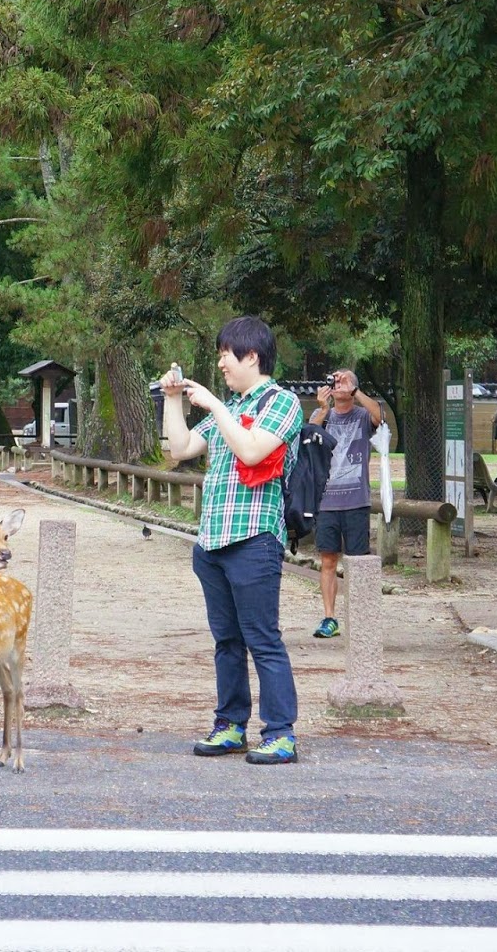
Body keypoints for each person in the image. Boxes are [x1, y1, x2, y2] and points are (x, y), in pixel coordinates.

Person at [161, 316, 304, 766]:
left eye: (226, 354)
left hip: (254, 539)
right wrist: (173, 401)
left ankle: (280, 733)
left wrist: (213, 406)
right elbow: (180, 448)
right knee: (226, 641)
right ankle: (230, 725)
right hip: (213, 542)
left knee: (262, 638)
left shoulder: (282, 403)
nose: (221, 362)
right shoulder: (229, 406)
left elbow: (251, 450)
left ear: (252, 356)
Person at [306, 370, 385, 639]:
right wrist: (322, 407)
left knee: (358, 563)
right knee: (328, 560)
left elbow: (380, 416)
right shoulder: (324, 415)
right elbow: (309, 437)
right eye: (336, 381)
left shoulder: (362, 415)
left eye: (344, 381)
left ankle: (360, 619)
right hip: (326, 501)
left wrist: (356, 391)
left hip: (356, 501)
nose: (339, 384)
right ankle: (329, 618)